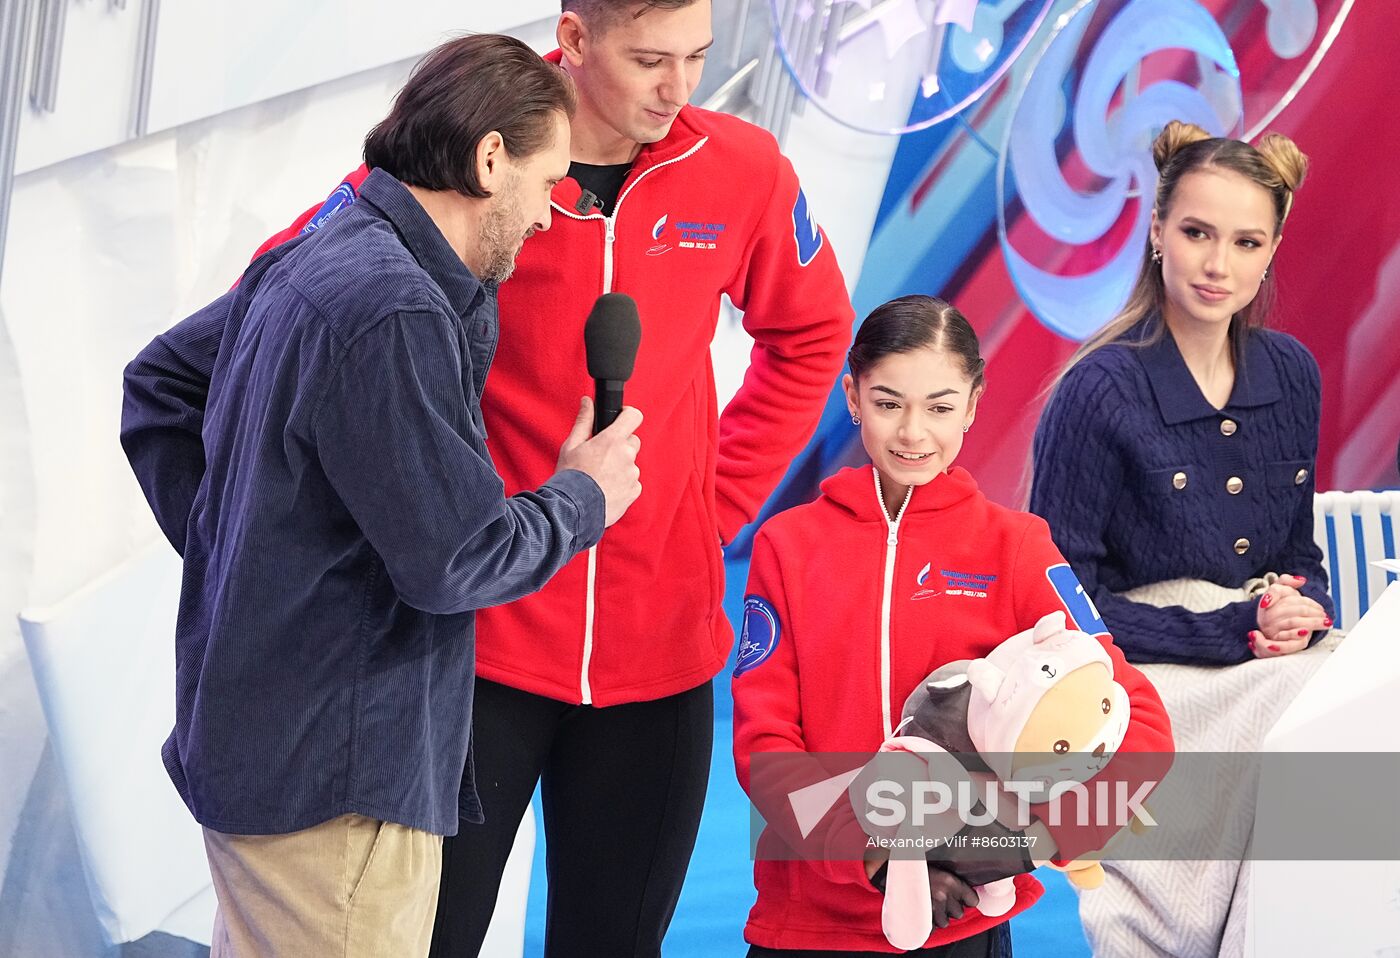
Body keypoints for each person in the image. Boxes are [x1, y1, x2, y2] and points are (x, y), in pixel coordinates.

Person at [251, 2, 854, 954]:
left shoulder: (741, 170)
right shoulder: (478, 145)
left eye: (697, 57)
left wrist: (714, 503)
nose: (679, 88)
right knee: (429, 939)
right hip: (481, 644)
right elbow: (291, 283)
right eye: (651, 59)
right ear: (573, 40)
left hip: (660, 647)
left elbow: (813, 333)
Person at [119, 34, 644, 958]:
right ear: (490, 160)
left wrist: (251, 566)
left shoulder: (329, 245)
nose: (554, 216)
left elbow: (160, 388)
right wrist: (582, 496)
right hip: (338, 788)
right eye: (549, 183)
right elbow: (457, 557)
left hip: (270, 757)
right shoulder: (392, 308)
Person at [731, 296, 1173, 957]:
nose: (913, 433)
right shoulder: (788, 545)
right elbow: (767, 749)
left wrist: (1026, 842)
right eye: (888, 403)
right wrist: (879, 856)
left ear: (972, 404)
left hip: (963, 928)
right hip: (809, 924)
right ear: (852, 396)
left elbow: (1141, 728)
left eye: (940, 407)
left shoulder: (1017, 547)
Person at [1029, 121, 1332, 957]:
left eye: (1246, 241)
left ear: (1272, 250)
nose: (1217, 264)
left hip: (1257, 657)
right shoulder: (1099, 390)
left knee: (1358, 701)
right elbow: (1059, 602)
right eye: (1197, 232)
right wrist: (1226, 632)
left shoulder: (1293, 373)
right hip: (1146, 672)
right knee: (1318, 709)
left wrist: (1298, 606)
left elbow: (1299, 555)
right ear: (1157, 229)